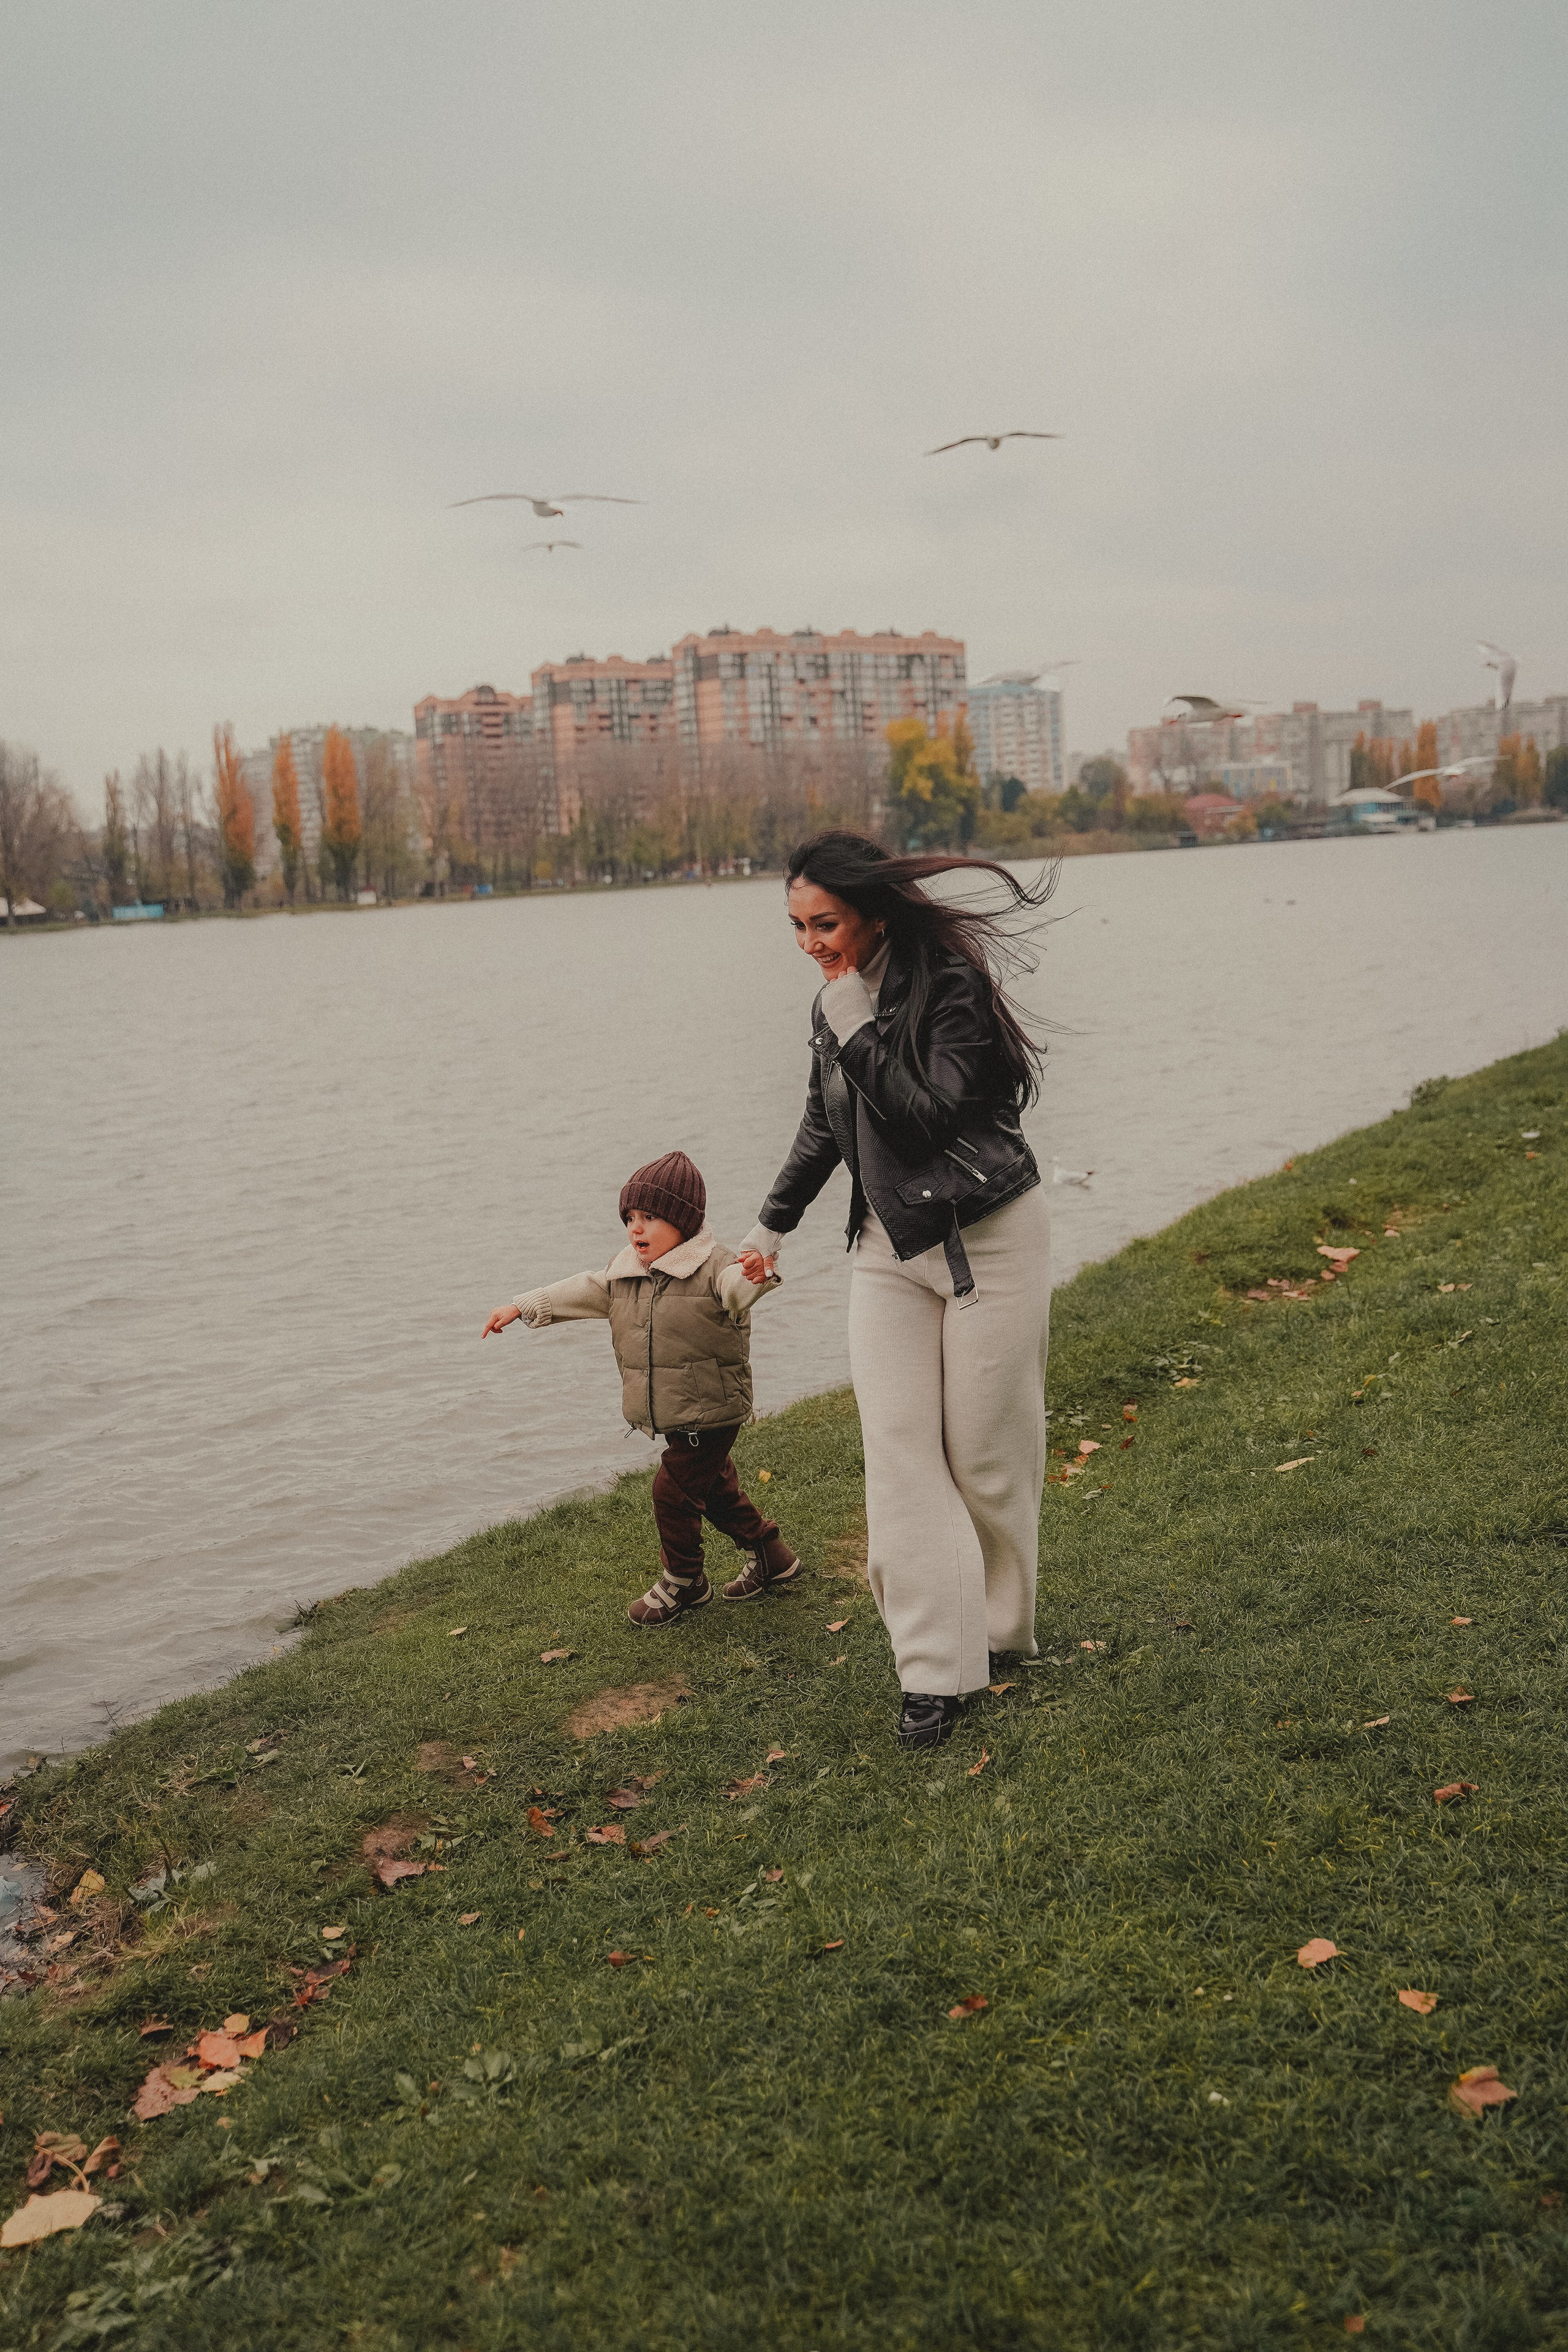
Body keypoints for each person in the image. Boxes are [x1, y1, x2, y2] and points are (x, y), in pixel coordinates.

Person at [737, 832, 1054, 1750]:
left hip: (988, 1237)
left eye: (825, 924)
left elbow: (927, 1122)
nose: (811, 944)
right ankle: (933, 1672)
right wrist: (769, 1227)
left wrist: (856, 1022)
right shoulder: (832, 1001)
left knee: (986, 1461)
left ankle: (999, 1627)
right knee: (900, 1454)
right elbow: (824, 1120)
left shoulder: (949, 984)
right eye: (797, 926)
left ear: (873, 915)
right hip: (888, 1246)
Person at [483, 1150, 799, 1627]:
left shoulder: (716, 1268)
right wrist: (522, 1306)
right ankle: (771, 1556)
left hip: (711, 1412)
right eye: (630, 1218)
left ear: (683, 1220)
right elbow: (583, 1289)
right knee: (714, 1490)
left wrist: (761, 1274)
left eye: (650, 1217)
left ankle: (684, 1581)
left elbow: (740, 1286)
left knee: (672, 1491)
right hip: (676, 1411)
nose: (636, 1228)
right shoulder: (625, 1272)